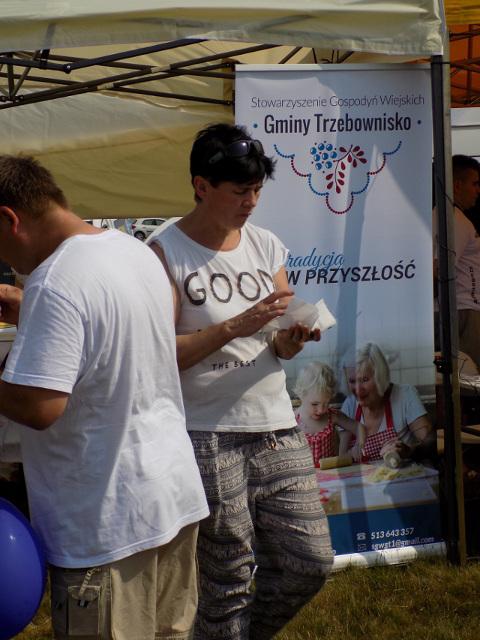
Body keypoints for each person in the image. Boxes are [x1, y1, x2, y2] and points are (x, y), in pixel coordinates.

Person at [0, 155, 209, 640]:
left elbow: (40, 406)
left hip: (106, 522)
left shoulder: (54, 280)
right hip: (169, 498)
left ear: (9, 218)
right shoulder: (133, 252)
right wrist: (29, 309)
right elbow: (111, 336)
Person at [150, 123, 333, 640]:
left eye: (257, 190)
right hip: (207, 432)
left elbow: (277, 342)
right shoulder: (164, 251)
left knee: (311, 561)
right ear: (201, 186)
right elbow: (159, 354)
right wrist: (236, 325)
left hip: (275, 424)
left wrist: (292, 339)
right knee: (227, 579)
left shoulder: (266, 244)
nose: (251, 202)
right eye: (239, 191)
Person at [341, 343, 434, 463]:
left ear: (380, 376)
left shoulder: (404, 395)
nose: (358, 390)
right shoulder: (349, 406)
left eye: (364, 379)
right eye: (352, 381)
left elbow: (430, 441)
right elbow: (339, 457)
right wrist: (350, 455)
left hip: (403, 473)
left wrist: (409, 451)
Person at [434, 155, 480, 368]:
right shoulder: (455, 219)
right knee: (469, 378)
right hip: (462, 311)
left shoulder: (442, 214)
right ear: (458, 185)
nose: (478, 190)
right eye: (475, 183)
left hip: (454, 310)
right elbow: (440, 267)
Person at [294, 361, 366, 466]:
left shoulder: (332, 416)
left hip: (331, 473)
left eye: (326, 403)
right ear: (301, 395)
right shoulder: (292, 420)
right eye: (315, 404)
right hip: (305, 474)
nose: (321, 410)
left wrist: (358, 447)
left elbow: (360, 428)